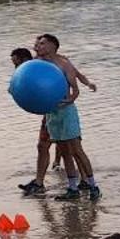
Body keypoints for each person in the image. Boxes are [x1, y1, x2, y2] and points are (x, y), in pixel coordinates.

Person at [31, 34, 100, 200]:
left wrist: (69, 100)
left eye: (42, 43)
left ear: (53, 46)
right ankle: (72, 188)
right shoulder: (38, 64)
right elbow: (27, 81)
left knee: (76, 150)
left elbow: (75, 90)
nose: (38, 46)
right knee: (64, 151)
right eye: (38, 44)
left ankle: (93, 185)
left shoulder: (63, 64)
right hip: (51, 113)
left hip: (66, 112)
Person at [12, 47, 71, 198]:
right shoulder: (32, 71)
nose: (15, 67)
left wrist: (82, 87)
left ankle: (81, 182)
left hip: (60, 111)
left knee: (68, 147)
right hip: (50, 113)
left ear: (24, 60)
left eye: (16, 63)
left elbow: (72, 79)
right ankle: (40, 182)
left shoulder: (43, 66)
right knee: (45, 146)